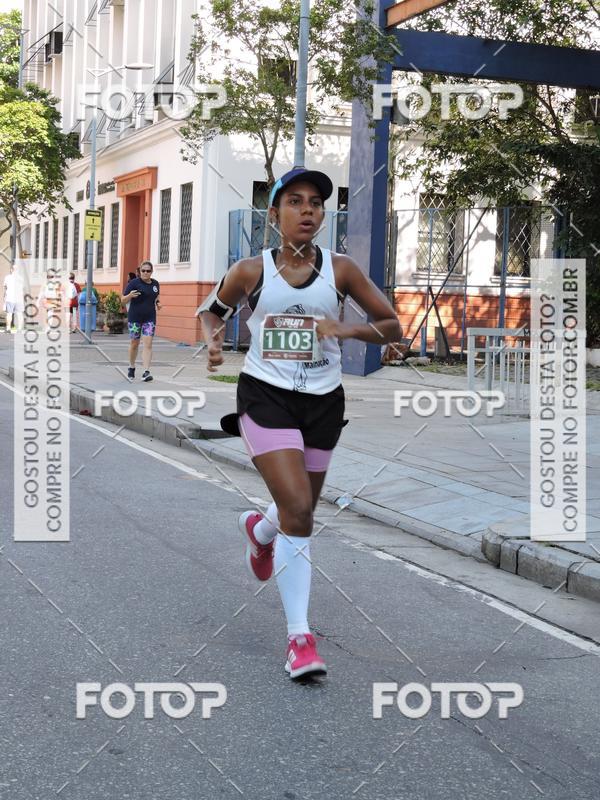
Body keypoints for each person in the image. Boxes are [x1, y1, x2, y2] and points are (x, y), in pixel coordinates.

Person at [200, 167, 402, 679]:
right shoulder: (250, 270)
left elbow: (391, 327)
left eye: (315, 202)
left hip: (323, 402)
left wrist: (346, 329)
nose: (307, 210)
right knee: (299, 509)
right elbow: (212, 311)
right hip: (264, 396)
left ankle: (260, 530)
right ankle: (300, 640)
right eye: (295, 201)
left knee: (299, 510)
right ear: (274, 214)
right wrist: (214, 340)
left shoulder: (341, 270)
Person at [122, 261, 161, 381]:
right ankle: (131, 366)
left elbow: (156, 296)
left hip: (149, 317)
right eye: (143, 271)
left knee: (148, 343)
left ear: (151, 272)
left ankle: (146, 372)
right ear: (140, 271)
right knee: (135, 343)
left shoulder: (155, 284)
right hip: (135, 317)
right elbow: (123, 300)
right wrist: (129, 296)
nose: (145, 273)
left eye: (148, 271)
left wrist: (158, 303)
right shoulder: (134, 283)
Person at [3, 265, 25, 332]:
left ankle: (8, 328)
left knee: (9, 313)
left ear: (11, 270)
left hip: (10, 298)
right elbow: (23, 289)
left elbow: (5, 288)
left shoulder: (7, 277)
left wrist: (4, 297)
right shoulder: (21, 278)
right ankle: (20, 329)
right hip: (19, 299)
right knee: (19, 314)